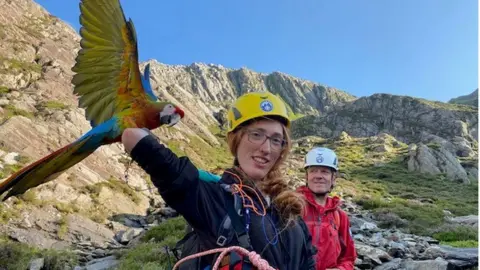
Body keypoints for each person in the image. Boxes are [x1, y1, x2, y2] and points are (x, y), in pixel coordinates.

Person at [121, 92, 317, 270]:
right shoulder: (210, 196)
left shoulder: (290, 209)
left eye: (276, 140)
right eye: (256, 135)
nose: (267, 148)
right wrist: (153, 113)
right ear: (235, 139)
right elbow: (133, 136)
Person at [296, 147, 357, 270]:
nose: (318, 176)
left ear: (333, 178)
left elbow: (348, 258)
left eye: (324, 171)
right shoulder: (291, 207)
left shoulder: (340, 217)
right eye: (313, 171)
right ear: (306, 176)